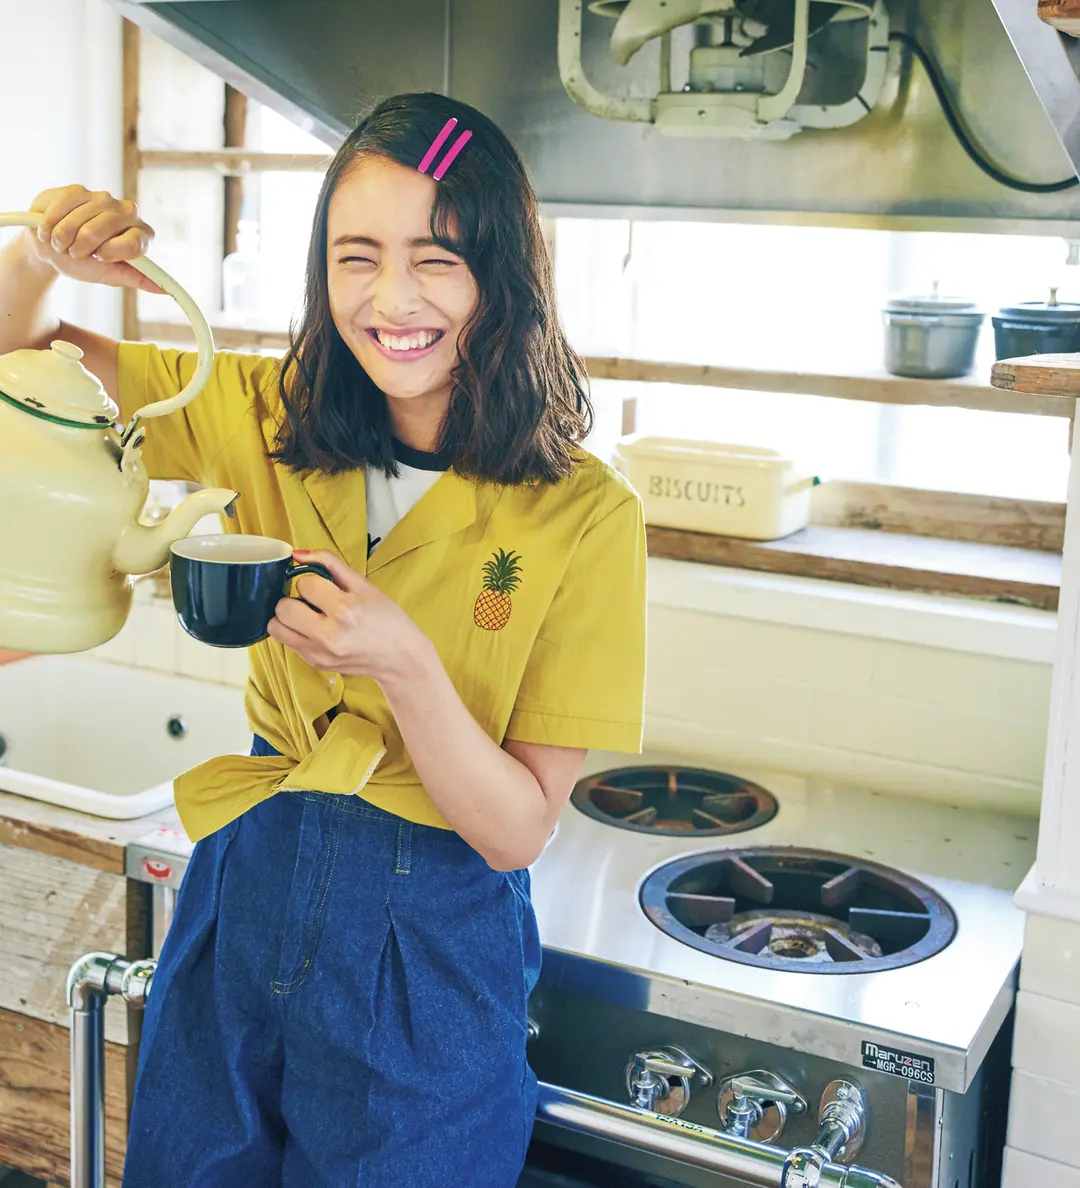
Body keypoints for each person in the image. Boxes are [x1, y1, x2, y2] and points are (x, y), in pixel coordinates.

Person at [0, 92, 646, 1187]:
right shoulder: (262, 409)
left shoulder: (586, 515)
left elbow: (515, 832)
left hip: (432, 946)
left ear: (504, 273)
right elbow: (22, 360)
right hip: (244, 889)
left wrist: (403, 663)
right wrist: (35, 251)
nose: (393, 299)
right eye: (358, 257)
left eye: (438, 258)